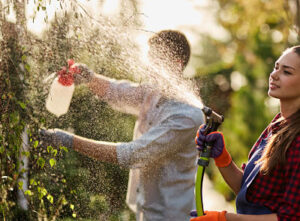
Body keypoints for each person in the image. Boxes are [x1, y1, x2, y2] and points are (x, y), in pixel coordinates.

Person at [40, 30, 204, 220]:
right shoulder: (154, 93)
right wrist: (89, 78)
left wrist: (68, 140)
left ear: (176, 65)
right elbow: (118, 92)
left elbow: (133, 154)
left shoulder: (186, 117)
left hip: (172, 216)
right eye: (149, 60)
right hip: (147, 210)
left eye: (155, 61)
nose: (148, 68)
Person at [193, 45, 300, 221]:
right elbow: (251, 195)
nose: (274, 75)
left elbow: (291, 218)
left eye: (287, 72)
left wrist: (225, 219)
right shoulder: (277, 125)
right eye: (276, 67)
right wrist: (222, 158)